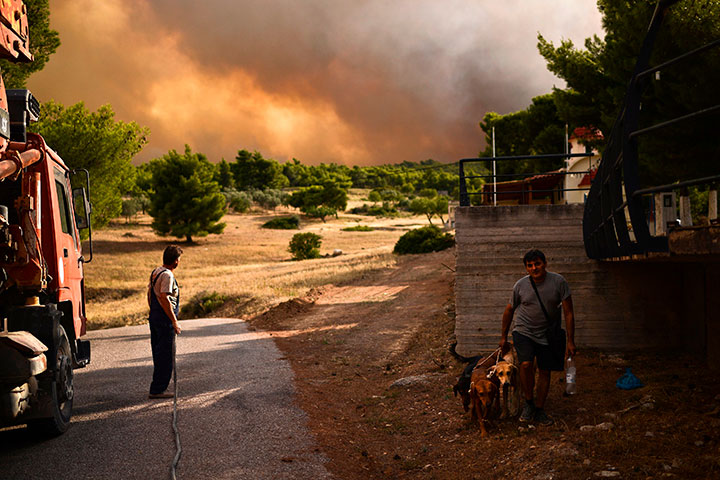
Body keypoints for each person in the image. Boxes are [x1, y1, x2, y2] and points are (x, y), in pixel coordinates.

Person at [498, 249, 576, 425]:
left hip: (548, 333)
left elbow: (569, 312)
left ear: (545, 264)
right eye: (530, 266)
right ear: (526, 268)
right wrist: (503, 336)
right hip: (524, 331)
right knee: (525, 364)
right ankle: (528, 402)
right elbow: (509, 310)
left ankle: (539, 409)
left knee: (544, 370)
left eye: (537, 264)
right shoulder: (520, 285)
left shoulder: (559, 282)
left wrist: (571, 341)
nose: (534, 268)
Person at [147, 245, 183, 399]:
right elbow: (165, 297)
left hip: (155, 317)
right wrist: (174, 321)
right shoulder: (167, 275)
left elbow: (150, 294)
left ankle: (157, 387)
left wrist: (153, 311)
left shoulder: (156, 272)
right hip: (164, 319)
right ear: (175, 261)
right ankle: (157, 390)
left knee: (158, 353)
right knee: (165, 356)